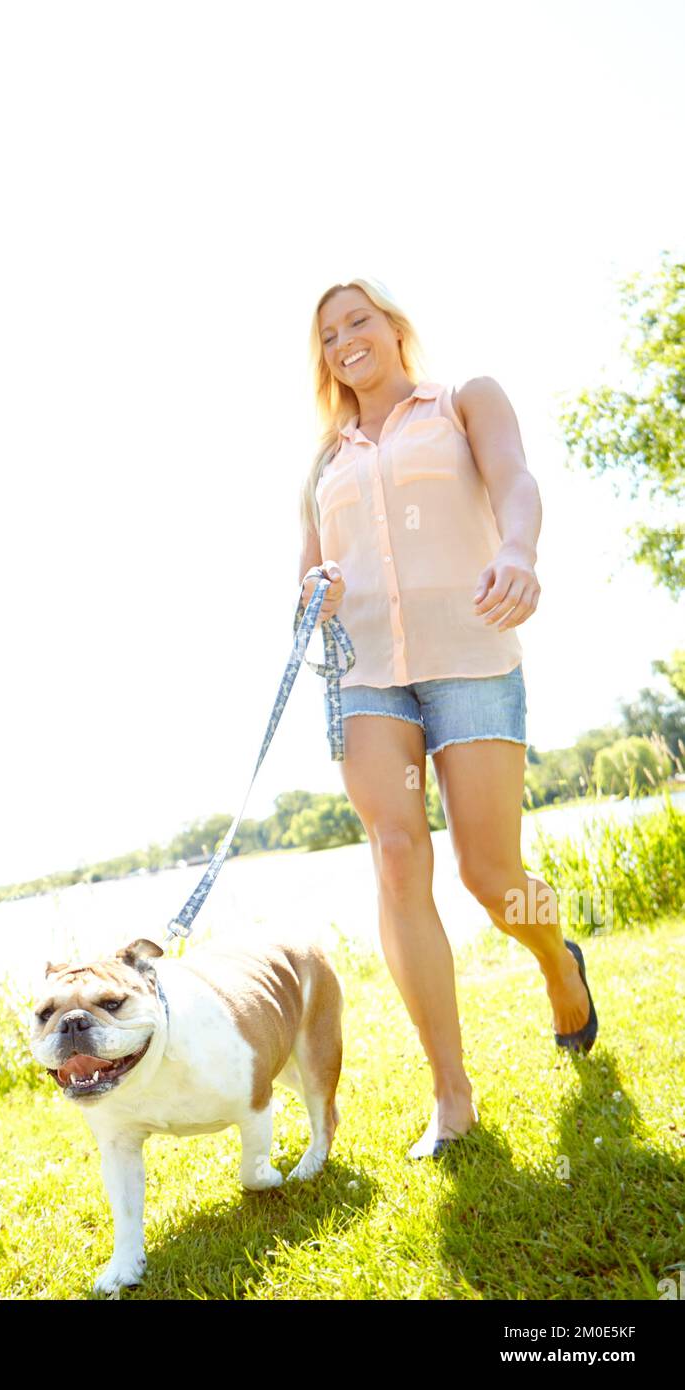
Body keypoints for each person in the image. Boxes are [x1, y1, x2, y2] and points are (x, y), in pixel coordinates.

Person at [297, 278, 597, 1160]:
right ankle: (451, 1094)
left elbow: (516, 480)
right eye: (328, 333)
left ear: (394, 327)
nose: (345, 339)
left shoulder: (465, 399)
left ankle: (556, 959)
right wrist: (312, 595)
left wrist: (517, 550)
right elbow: (308, 568)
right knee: (396, 855)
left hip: (470, 655)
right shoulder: (323, 460)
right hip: (368, 679)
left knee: (490, 871)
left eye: (359, 319)